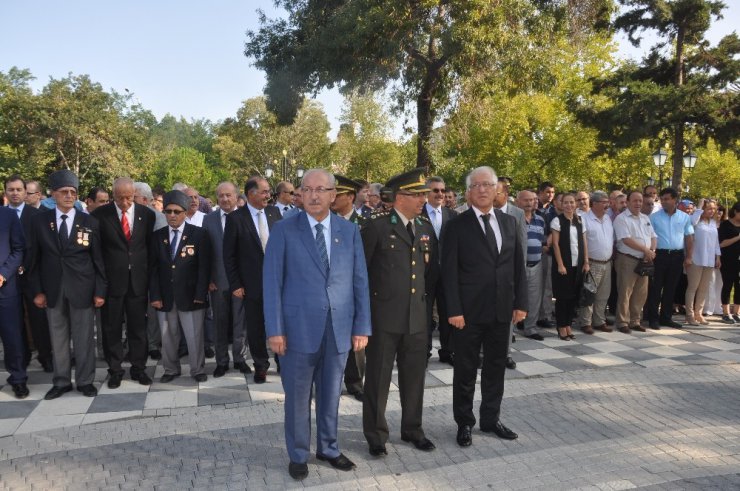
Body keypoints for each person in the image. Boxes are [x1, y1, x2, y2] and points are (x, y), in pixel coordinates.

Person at [263, 169, 371, 481]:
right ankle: (298, 454)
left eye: (320, 190)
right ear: (299, 194)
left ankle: (329, 447)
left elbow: (359, 281)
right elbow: (272, 283)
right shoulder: (284, 230)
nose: (313, 195)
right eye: (307, 189)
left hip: (338, 329)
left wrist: (361, 326)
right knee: (298, 397)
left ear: (333, 195)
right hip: (296, 331)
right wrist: (275, 329)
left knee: (331, 394)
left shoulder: (348, 231)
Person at [442, 166, 527, 448]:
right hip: (467, 314)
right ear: (468, 191)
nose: (482, 190)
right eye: (476, 185)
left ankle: (491, 419)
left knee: (496, 369)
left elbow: (517, 266)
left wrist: (521, 303)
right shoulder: (456, 224)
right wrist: (453, 310)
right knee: (465, 371)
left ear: (497, 190)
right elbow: (449, 272)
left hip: (502, 310)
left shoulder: (509, 223)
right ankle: (464, 422)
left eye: (487, 185)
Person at [363, 168, 438, 456]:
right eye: (417, 195)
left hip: (416, 317)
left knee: (415, 377)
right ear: (400, 197)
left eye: (423, 195)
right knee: (378, 379)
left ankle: (412, 429)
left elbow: (431, 272)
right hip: (384, 318)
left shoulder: (424, 227)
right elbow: (364, 273)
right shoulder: (377, 226)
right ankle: (376, 436)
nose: (423, 199)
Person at [27, 169, 106, 399]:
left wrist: (100, 290)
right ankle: (61, 381)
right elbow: (33, 259)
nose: (70, 196)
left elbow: (98, 260)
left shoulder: (89, 221)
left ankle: (85, 381)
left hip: (82, 288)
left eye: (73, 192)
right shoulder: (39, 221)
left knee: (84, 339)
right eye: (64, 192)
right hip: (52, 289)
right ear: (53, 194)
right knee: (58, 338)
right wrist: (38, 291)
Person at [92, 177, 156, 388]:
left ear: (135, 195)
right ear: (113, 196)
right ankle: (115, 370)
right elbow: (98, 252)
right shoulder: (101, 215)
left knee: (138, 328)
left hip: (138, 281)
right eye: (120, 198)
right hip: (112, 282)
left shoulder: (146, 215)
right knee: (111, 328)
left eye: (129, 198)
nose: (125, 202)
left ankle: (139, 368)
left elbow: (147, 247)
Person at [149, 190, 212, 383]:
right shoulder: (157, 236)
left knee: (194, 337)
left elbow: (204, 267)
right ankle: (170, 369)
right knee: (168, 337)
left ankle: (197, 369)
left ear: (185, 212)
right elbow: (153, 270)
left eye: (177, 212)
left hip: (192, 295)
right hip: (166, 296)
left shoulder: (199, 234)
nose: (172, 216)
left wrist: (201, 294)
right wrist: (155, 296)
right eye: (168, 212)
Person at [223, 177, 281, 383]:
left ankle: (282, 362)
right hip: (251, 284)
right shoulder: (236, 219)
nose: (268, 195)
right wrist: (236, 284)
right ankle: (261, 365)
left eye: (269, 192)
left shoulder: (275, 213)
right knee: (256, 328)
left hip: (278, 283)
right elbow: (228, 256)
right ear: (251, 194)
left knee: (280, 324)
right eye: (264, 192)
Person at [5, 175, 53, 372]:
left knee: (38, 319)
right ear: (5, 193)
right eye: (11, 190)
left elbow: (42, 247)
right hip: (8, 278)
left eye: (19, 189)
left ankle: (46, 357)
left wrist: (25, 265)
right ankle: (21, 357)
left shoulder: (36, 216)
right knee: (14, 321)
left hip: (33, 275)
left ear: (25, 192)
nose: (15, 193)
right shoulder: (2, 215)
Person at [203, 182, 251, 377]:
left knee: (241, 323)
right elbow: (204, 252)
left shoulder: (246, 217)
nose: (224, 199)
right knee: (219, 323)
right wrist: (208, 279)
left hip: (241, 281)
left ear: (236, 197)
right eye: (221, 195)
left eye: (228, 195)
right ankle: (221, 361)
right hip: (218, 281)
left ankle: (240, 359)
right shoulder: (209, 220)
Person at [330, 174, 367, 401]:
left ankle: (355, 382)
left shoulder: (365, 226)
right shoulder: (326, 222)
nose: (332, 198)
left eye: (338, 194)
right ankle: (330, 381)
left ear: (351, 198)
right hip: (331, 291)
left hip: (354, 290)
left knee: (356, 339)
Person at [421, 176, 457, 365]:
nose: (440, 194)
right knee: (425, 315)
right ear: (427, 192)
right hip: (424, 274)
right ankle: (424, 352)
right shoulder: (418, 215)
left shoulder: (452, 215)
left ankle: (448, 350)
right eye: (436, 190)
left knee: (447, 313)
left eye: (442, 191)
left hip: (447, 274)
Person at [646, 188, 694, 329]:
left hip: (677, 255)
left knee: (671, 288)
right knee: (656, 288)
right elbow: (650, 237)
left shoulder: (685, 217)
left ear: (675, 200)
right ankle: (652, 318)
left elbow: (689, 237)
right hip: (659, 255)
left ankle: (666, 318)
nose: (664, 202)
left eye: (667, 199)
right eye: (662, 199)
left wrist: (689, 256)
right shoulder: (654, 217)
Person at [493, 181, 527, 368]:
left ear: (504, 194)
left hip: (509, 276)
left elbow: (521, 245)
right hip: (489, 277)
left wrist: (518, 274)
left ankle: (506, 353)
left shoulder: (517, 214)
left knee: (507, 318)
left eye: (495, 192)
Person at [613, 191, 656, 334]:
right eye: (635, 201)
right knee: (625, 292)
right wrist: (646, 250)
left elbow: (653, 236)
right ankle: (622, 322)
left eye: (640, 201)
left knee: (641, 292)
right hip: (628, 259)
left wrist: (651, 251)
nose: (638, 203)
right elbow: (626, 239)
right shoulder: (621, 219)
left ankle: (635, 321)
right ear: (628, 202)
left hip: (645, 260)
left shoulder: (645, 218)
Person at [133, 181, 167, 361]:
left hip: (152, 272)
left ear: (144, 199)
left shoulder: (158, 218)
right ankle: (136, 343)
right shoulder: (128, 216)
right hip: (131, 272)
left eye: (133, 197)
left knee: (152, 309)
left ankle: (153, 344)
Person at [551, 193, 590, 340]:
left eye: (571, 202)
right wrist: (560, 264)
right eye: (566, 202)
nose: (569, 205)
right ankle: (561, 326)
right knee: (563, 297)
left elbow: (584, 242)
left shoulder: (580, 220)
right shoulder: (557, 221)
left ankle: (568, 325)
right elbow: (555, 244)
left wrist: (586, 261)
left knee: (573, 297)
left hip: (578, 264)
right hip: (564, 265)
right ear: (561, 204)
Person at [0, 201, 28, 398]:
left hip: (6, 287)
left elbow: (19, 249)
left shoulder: (8, 216)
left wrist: (3, 274)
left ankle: (18, 379)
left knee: (12, 336)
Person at [576, 191, 614, 334]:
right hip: (591, 263)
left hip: (607, 263)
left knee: (603, 294)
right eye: (604, 202)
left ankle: (599, 321)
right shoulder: (584, 219)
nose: (607, 205)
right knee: (589, 294)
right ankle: (585, 322)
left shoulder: (608, 218)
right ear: (595, 203)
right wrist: (585, 261)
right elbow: (582, 242)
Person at [685, 199, 721, 325]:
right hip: (696, 258)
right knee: (693, 287)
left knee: (703, 288)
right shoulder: (695, 221)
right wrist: (699, 206)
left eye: (713, 209)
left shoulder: (713, 222)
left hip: (709, 259)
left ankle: (698, 314)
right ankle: (689, 315)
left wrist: (718, 257)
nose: (712, 211)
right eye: (709, 208)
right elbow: (692, 220)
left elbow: (716, 241)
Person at [516, 190, 546, 341]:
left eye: (532, 200)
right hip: (517, 266)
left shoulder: (540, 220)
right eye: (526, 200)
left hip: (536, 265)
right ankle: (510, 330)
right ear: (518, 201)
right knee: (514, 297)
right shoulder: (513, 219)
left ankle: (531, 328)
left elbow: (542, 241)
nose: (530, 203)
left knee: (534, 298)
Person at [718, 202, 740, 324]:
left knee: (739, 286)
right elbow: (721, 244)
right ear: (736, 211)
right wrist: (738, 237)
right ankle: (726, 313)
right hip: (728, 260)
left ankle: (737, 312)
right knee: (728, 285)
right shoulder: (726, 225)